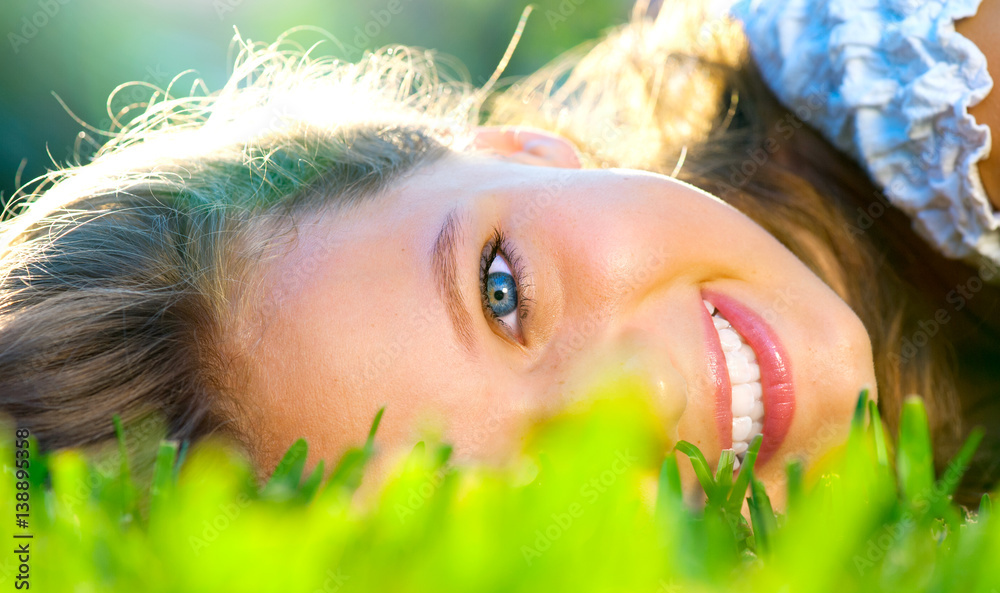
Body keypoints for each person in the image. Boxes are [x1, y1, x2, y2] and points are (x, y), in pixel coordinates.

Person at [0, 0, 995, 505]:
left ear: (514, 149)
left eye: (500, 288)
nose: (641, 391)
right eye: (534, 491)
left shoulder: (937, 72)